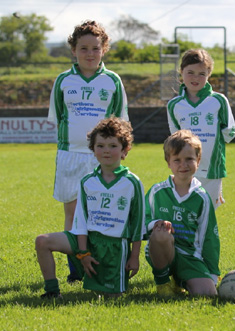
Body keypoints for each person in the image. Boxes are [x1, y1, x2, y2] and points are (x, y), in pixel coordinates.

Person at [48, 20, 128, 282]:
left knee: (101, 211)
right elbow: (59, 118)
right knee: (72, 213)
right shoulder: (63, 81)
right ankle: (76, 271)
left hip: (102, 157)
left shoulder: (112, 81)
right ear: (73, 50)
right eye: (84, 48)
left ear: (104, 49)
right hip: (70, 155)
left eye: (95, 48)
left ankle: (103, 264)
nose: (90, 54)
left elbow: (120, 123)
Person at [35, 117, 145, 298]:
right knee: (42, 241)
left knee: (111, 298)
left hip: (114, 246)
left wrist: (134, 257)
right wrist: (83, 253)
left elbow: (137, 224)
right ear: (92, 150)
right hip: (87, 242)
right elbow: (80, 221)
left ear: (125, 150)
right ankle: (52, 292)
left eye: (112, 146)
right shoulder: (87, 181)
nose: (106, 151)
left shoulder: (132, 182)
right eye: (100, 146)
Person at [144, 130, 220, 297]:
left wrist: (213, 273)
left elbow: (209, 237)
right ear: (168, 162)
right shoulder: (157, 192)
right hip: (161, 249)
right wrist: (154, 224)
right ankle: (162, 281)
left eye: (189, 159)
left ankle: (179, 280)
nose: (183, 165)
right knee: (162, 234)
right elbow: (141, 221)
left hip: (189, 256)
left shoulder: (202, 198)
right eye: (177, 160)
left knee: (208, 293)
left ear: (198, 161)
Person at [167, 49, 235, 209]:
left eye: (201, 74)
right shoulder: (174, 105)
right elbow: (175, 137)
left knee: (209, 211)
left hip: (211, 168)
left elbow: (229, 132)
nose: (195, 78)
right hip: (184, 167)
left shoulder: (218, 101)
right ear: (181, 72)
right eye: (190, 72)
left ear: (208, 75)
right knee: (186, 209)